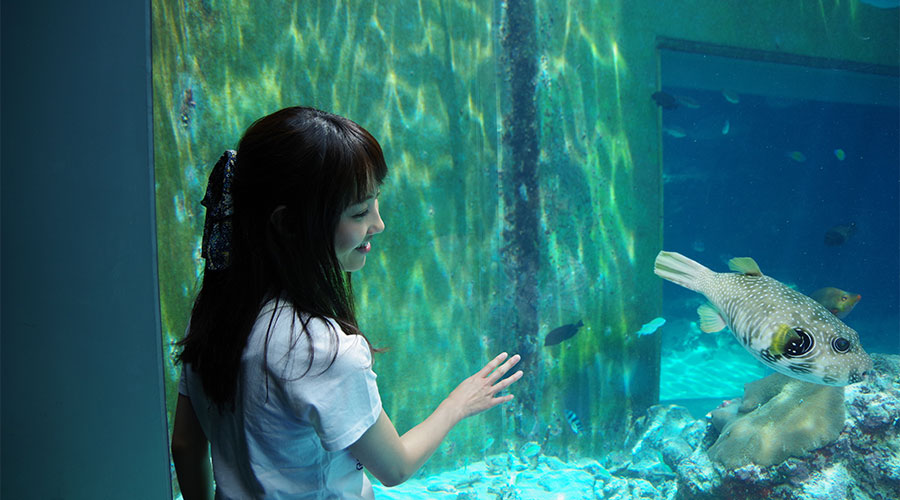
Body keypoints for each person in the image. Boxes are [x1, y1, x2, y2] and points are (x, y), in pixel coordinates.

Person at [170, 106, 524, 499]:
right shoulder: (322, 350)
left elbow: (185, 447)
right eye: (359, 212)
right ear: (288, 225)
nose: (378, 223)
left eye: (375, 202)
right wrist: (458, 403)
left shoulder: (212, 315)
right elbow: (395, 467)